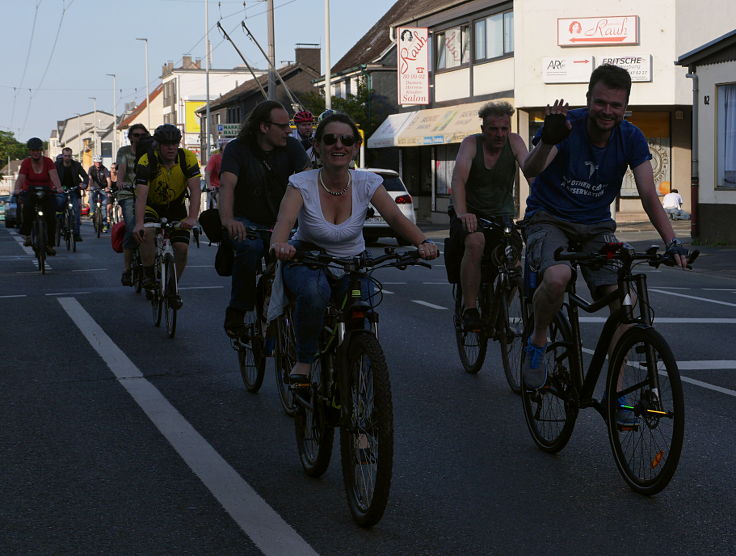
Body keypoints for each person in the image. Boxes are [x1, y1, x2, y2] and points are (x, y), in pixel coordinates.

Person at [521, 64, 688, 391]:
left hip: (596, 227)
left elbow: (648, 195)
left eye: (616, 105)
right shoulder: (568, 126)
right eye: (600, 102)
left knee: (623, 301)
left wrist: (673, 242)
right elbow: (531, 168)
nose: (607, 111)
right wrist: (547, 141)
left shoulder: (631, 137)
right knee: (558, 277)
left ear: (626, 107)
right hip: (548, 217)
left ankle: (618, 392)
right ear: (588, 99)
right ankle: (537, 340)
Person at [269, 113, 440, 385]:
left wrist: (423, 243)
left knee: (364, 306)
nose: (339, 145)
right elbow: (285, 220)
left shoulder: (367, 182)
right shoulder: (301, 183)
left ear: (355, 147)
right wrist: (280, 245)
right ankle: (304, 359)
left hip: (354, 261)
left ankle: (356, 373)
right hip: (308, 256)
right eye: (330, 139)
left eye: (347, 140)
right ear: (318, 146)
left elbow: (395, 218)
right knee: (316, 292)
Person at [219, 100, 311, 338]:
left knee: (310, 256)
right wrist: (229, 220)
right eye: (282, 126)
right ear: (263, 127)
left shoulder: (292, 148)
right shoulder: (236, 149)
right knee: (250, 249)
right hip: (246, 220)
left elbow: (309, 184)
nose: (288, 131)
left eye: (288, 126)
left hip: (283, 221)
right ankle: (237, 312)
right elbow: (227, 186)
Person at [450, 101, 530, 329]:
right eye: (493, 129)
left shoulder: (514, 142)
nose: (499, 134)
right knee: (476, 241)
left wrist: (542, 204)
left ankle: (499, 309)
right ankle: (471, 307)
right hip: (469, 210)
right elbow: (458, 179)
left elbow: (530, 173)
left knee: (514, 264)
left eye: (504, 128)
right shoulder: (470, 144)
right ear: (483, 128)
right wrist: (463, 212)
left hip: (501, 214)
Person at [133, 124, 201, 308]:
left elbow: (195, 190)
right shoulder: (147, 162)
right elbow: (141, 196)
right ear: (158, 144)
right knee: (146, 233)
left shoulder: (187, 158)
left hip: (176, 207)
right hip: (151, 206)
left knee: (181, 248)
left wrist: (192, 217)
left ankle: (173, 286)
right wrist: (139, 223)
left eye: (175, 143)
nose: (171, 148)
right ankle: (148, 274)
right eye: (166, 144)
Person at [13, 137, 63, 255]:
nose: (35, 153)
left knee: (51, 217)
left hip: (47, 191)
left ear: (41, 150)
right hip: (30, 191)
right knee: (27, 209)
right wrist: (17, 189)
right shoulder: (26, 163)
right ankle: (27, 235)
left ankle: (50, 244)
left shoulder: (48, 162)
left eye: (38, 150)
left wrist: (58, 187)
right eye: (33, 150)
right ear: (29, 151)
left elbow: (54, 176)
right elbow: (21, 179)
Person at [115, 124, 149, 285]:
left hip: (147, 193)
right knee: (132, 227)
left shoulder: (151, 150)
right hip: (128, 192)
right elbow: (121, 169)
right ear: (130, 137)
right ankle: (127, 269)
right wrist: (120, 182)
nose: (139, 138)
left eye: (143, 135)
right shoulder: (124, 152)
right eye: (136, 135)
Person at [54, 147, 88, 242]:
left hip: (74, 190)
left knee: (76, 211)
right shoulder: (57, 165)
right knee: (59, 207)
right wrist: (54, 186)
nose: (67, 158)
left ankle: (76, 233)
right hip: (61, 190)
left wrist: (84, 183)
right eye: (65, 156)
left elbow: (85, 176)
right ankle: (59, 224)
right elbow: (51, 175)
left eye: (69, 156)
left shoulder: (76, 165)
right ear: (62, 156)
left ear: (71, 156)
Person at [88, 155, 112, 232]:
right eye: (96, 162)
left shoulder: (104, 169)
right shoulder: (91, 169)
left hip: (103, 188)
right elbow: (90, 178)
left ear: (101, 162)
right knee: (91, 195)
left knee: (104, 206)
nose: (98, 163)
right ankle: (92, 211)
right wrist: (89, 186)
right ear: (94, 162)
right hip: (94, 187)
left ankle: (104, 225)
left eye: (99, 162)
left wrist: (108, 187)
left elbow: (108, 179)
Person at [204, 138, 228, 209]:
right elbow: (208, 173)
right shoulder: (214, 158)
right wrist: (209, 185)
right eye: (224, 152)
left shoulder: (232, 159)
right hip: (216, 187)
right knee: (219, 202)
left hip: (228, 187)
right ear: (221, 152)